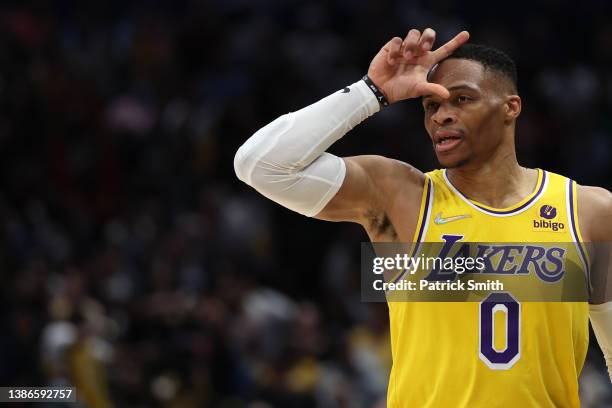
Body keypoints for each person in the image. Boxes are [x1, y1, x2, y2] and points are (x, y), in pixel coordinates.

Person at [234, 28, 612, 407]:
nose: (442, 116)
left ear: (510, 107)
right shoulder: (401, 197)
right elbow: (260, 164)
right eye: (432, 106)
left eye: (462, 100)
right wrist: (372, 91)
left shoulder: (589, 212)